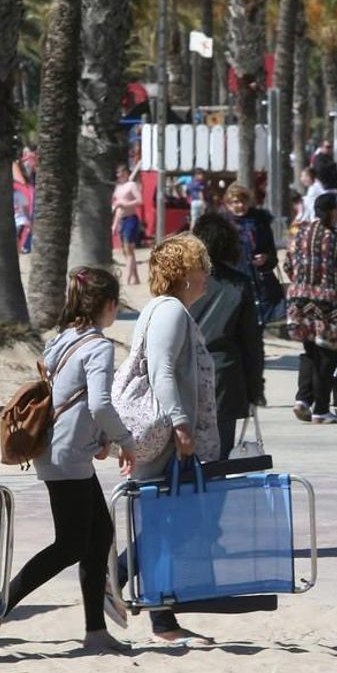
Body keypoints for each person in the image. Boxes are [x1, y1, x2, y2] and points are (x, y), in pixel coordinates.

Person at [0, 267, 134, 654]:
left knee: (98, 537)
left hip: (59, 450)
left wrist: (98, 440)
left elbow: (71, 397)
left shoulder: (62, 339)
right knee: (71, 544)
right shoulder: (97, 347)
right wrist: (123, 440)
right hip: (67, 457)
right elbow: (98, 402)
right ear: (109, 306)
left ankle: (95, 631)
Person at [124, 233, 219, 644]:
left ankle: (162, 617)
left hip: (167, 437)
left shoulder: (167, 311)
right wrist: (181, 425)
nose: (207, 276)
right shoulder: (170, 313)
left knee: (166, 526)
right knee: (166, 526)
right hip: (166, 438)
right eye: (201, 267)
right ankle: (115, 582)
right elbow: (161, 369)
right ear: (183, 273)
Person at [190, 213, 264, 458]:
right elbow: (251, 343)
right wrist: (254, 390)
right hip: (225, 377)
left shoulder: (184, 282)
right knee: (219, 459)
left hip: (186, 375)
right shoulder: (240, 284)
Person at [286, 192, 337, 424]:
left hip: (299, 302)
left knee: (310, 351)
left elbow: (289, 265)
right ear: (332, 212)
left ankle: (302, 400)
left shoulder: (300, 233)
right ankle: (320, 408)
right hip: (330, 305)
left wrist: (302, 284)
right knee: (327, 355)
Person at [223, 182, 284, 325]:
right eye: (235, 202)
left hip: (261, 281)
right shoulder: (222, 226)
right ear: (228, 204)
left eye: (243, 201)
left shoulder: (260, 222)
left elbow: (272, 254)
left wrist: (266, 258)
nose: (240, 205)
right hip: (234, 281)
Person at [112, 164, 142, 285]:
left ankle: (127, 279)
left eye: (121, 172)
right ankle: (136, 277)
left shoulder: (131, 185)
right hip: (122, 220)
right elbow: (118, 208)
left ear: (126, 173)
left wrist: (126, 204)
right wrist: (115, 223)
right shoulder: (118, 188)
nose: (119, 175)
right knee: (126, 251)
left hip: (131, 219)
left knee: (128, 249)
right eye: (118, 173)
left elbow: (140, 201)